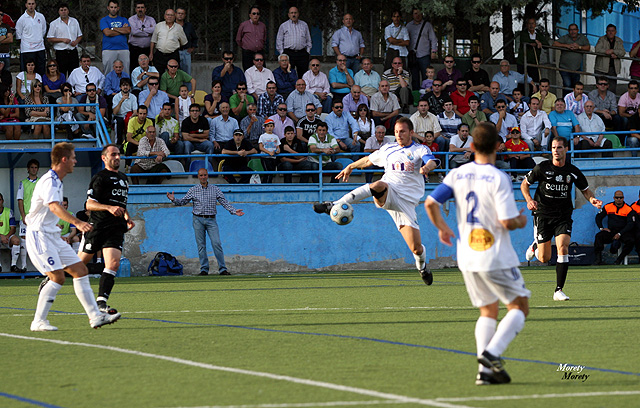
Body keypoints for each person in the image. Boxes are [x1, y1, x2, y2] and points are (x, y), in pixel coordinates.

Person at [425, 122, 530, 386]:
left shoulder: (458, 174)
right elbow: (507, 222)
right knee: (519, 306)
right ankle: (491, 354)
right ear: (498, 146)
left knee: (487, 310)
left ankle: (484, 373)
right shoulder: (499, 178)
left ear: (471, 146)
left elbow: (430, 202)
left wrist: (442, 228)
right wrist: (520, 220)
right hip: (495, 255)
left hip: (468, 255)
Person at [315, 117, 439, 283]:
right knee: (379, 184)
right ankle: (335, 204)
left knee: (416, 249)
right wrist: (350, 166)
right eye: (396, 132)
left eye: (402, 131)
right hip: (389, 191)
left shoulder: (419, 149)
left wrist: (425, 168)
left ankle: (422, 267)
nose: (399, 134)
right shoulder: (388, 149)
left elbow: (432, 161)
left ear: (411, 132)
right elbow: (368, 160)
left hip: (407, 204)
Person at [28, 142, 121, 331]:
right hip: (39, 235)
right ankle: (38, 321)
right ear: (64, 159)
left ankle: (95, 316)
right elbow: (54, 206)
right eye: (73, 157)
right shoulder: (50, 181)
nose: (75, 161)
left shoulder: (57, 180)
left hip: (52, 235)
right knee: (58, 277)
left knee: (80, 269)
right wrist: (77, 223)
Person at [522, 136, 602, 301]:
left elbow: (586, 190)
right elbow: (525, 184)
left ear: (566, 149)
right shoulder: (542, 168)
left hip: (563, 216)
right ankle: (535, 245)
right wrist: (530, 200)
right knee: (544, 258)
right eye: (553, 148)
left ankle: (558, 290)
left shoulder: (572, 171)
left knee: (563, 248)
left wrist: (592, 200)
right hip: (543, 214)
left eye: (559, 148)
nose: (556, 151)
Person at [75, 144, 133, 314]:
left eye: (118, 154)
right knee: (78, 265)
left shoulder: (124, 178)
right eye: (113, 154)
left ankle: (101, 303)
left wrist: (127, 216)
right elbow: (90, 204)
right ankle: (51, 278)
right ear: (104, 158)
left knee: (113, 264)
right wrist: (108, 208)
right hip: (97, 227)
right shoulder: (100, 177)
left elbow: (120, 203)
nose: (117, 157)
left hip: (116, 228)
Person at [167, 168, 244, 275]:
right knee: (201, 245)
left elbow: (224, 202)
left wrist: (234, 211)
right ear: (198, 177)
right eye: (201, 175)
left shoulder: (215, 189)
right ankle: (204, 269)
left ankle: (223, 269)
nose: (203, 177)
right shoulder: (193, 189)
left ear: (208, 176)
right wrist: (174, 200)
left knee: (216, 243)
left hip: (211, 219)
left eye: (205, 175)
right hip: (198, 219)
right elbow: (183, 201)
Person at [594, 191, 636, 265]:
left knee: (631, 241)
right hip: (611, 231)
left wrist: (620, 233)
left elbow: (630, 224)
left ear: (623, 198)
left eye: (621, 197)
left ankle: (619, 260)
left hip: (623, 232)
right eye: (617, 197)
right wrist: (601, 228)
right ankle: (598, 260)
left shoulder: (628, 209)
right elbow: (598, 217)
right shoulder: (608, 206)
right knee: (599, 236)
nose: (619, 199)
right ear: (614, 198)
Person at [552, 24, 590, 94]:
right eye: (571, 30)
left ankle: (575, 102)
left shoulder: (582, 38)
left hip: (576, 68)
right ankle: (566, 103)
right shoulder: (565, 37)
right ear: (568, 31)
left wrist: (579, 47)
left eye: (574, 29)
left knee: (576, 87)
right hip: (564, 68)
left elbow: (588, 48)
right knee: (567, 85)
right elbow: (554, 44)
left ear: (577, 30)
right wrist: (567, 46)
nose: (573, 32)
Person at [46, 3, 82, 78]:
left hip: (73, 51)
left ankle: (73, 89)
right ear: (59, 12)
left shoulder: (74, 21)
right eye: (61, 10)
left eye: (65, 10)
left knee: (74, 73)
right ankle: (63, 89)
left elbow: (80, 35)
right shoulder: (54, 23)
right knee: (61, 73)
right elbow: (49, 38)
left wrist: (76, 42)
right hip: (61, 52)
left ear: (68, 11)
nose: (63, 12)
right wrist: (62, 40)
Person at [17, 159, 40, 274]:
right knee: (23, 240)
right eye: (32, 167)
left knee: (39, 241)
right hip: (26, 218)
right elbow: (20, 200)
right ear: (28, 169)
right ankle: (24, 266)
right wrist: (23, 216)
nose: (34, 169)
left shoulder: (41, 182)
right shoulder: (23, 183)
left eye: (36, 167)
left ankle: (41, 266)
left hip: (39, 218)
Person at [276, 7, 312, 79]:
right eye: (292, 13)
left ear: (298, 14)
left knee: (303, 74)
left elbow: (308, 39)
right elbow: (279, 40)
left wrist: (307, 51)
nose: (293, 15)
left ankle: (302, 89)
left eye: (295, 13)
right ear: (289, 15)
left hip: (302, 53)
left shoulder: (304, 25)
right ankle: (289, 89)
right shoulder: (284, 26)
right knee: (288, 73)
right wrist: (282, 53)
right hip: (289, 53)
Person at [406, 8, 438, 90]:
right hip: (412, 56)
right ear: (412, 15)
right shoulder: (408, 26)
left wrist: (433, 51)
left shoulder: (427, 25)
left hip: (424, 55)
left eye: (419, 13)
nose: (417, 15)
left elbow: (433, 39)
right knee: (414, 78)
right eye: (415, 13)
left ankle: (426, 97)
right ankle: (416, 97)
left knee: (426, 77)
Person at [149, 9, 187, 77]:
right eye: (168, 15)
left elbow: (183, 42)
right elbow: (153, 40)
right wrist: (151, 53)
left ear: (175, 16)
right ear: (164, 16)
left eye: (171, 15)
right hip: (159, 54)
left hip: (173, 55)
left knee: (173, 75)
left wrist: (173, 46)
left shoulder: (179, 28)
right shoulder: (159, 26)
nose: (169, 17)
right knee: (158, 74)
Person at [15, 0, 46, 75]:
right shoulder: (22, 19)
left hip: (40, 48)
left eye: (32, 4)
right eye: (29, 4)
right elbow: (18, 34)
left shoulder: (41, 16)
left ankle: (40, 86)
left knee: (41, 71)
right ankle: (26, 87)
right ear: (26, 5)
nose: (31, 6)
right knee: (27, 72)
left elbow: (43, 30)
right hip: (27, 50)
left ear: (35, 5)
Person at [100, 0, 131, 75]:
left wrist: (113, 28)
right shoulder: (104, 20)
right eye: (111, 7)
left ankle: (125, 85)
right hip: (108, 49)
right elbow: (107, 33)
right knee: (108, 71)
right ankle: (108, 86)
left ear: (118, 8)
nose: (113, 9)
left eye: (115, 7)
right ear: (108, 8)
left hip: (123, 48)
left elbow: (128, 30)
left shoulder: (123, 19)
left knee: (125, 70)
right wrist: (121, 30)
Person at [516, 17, 549, 84]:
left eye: (533, 23)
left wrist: (539, 42)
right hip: (522, 61)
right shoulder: (523, 33)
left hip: (534, 61)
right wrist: (536, 42)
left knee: (535, 80)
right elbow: (525, 41)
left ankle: (534, 94)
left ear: (535, 25)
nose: (531, 25)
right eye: (529, 23)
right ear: (526, 25)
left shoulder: (538, 34)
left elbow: (546, 45)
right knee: (522, 80)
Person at [594, 24, 625, 92]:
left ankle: (611, 102)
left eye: (612, 31)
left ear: (615, 32)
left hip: (613, 68)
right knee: (600, 89)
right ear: (606, 32)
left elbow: (622, 52)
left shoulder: (619, 40)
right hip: (601, 68)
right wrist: (606, 52)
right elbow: (597, 49)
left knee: (612, 89)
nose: (611, 32)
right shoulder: (602, 39)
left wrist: (613, 51)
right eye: (609, 31)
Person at [127, 1, 155, 74]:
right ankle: (134, 84)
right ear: (135, 9)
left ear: (145, 9)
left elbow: (154, 30)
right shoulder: (131, 19)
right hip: (134, 49)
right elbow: (134, 32)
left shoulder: (151, 19)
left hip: (147, 49)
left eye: (142, 7)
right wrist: (147, 33)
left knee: (147, 69)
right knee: (133, 69)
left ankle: (146, 84)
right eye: (138, 7)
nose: (140, 9)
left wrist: (141, 30)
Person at [236, 6, 266, 72]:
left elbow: (264, 38)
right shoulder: (243, 25)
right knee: (248, 71)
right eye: (254, 13)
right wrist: (245, 46)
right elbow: (238, 39)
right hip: (248, 53)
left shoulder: (262, 26)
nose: (256, 15)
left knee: (262, 71)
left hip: (259, 52)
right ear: (250, 15)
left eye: (258, 14)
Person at [111, 77, 137, 145]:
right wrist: (121, 101)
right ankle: (118, 143)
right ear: (120, 87)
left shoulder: (133, 97)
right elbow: (115, 112)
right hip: (118, 116)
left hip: (129, 116)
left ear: (130, 87)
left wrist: (131, 117)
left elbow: (135, 111)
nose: (125, 87)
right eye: (123, 85)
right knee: (119, 121)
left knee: (132, 120)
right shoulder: (116, 97)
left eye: (127, 85)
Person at [0, 192, 21, 273]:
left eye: (0, 200)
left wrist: (7, 236)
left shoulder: (8, 212)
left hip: (7, 237)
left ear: (3, 201)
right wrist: (1, 236)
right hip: (1, 237)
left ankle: (13, 265)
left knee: (16, 240)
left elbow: (13, 228)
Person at [618, 80, 640, 151]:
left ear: (638, 89)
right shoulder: (623, 97)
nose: (633, 90)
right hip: (628, 117)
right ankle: (622, 139)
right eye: (631, 88)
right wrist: (632, 117)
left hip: (636, 117)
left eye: (635, 88)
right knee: (623, 120)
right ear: (628, 89)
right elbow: (621, 113)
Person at [175, 7, 197, 77]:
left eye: (182, 13)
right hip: (174, 52)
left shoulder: (189, 26)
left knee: (187, 75)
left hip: (185, 52)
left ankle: (187, 88)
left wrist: (192, 48)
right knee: (174, 73)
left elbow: (195, 38)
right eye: (179, 13)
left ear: (185, 15)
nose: (180, 15)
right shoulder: (171, 25)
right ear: (175, 14)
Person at [258, 119, 281, 183]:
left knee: (271, 173)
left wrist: (277, 151)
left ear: (273, 127)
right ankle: (265, 186)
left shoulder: (276, 136)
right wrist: (269, 152)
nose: (269, 128)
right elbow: (261, 147)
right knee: (267, 172)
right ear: (265, 127)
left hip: (273, 157)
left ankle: (268, 186)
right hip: (265, 157)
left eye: (271, 126)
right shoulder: (262, 136)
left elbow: (278, 147)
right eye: (268, 126)